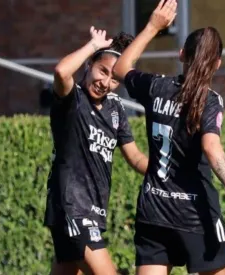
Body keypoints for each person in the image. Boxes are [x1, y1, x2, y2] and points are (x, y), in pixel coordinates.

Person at [113, 1, 225, 274]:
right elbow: (212, 148)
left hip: (154, 210)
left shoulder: (156, 86)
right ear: (218, 64)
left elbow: (120, 68)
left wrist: (153, 26)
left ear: (181, 54)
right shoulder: (209, 101)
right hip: (194, 213)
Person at [44, 27, 148, 275]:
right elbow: (61, 71)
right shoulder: (73, 98)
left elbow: (134, 156)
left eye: (114, 79)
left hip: (93, 209)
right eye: (103, 71)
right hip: (72, 207)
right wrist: (93, 45)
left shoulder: (115, 109)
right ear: (90, 64)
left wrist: (166, 172)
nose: (106, 83)